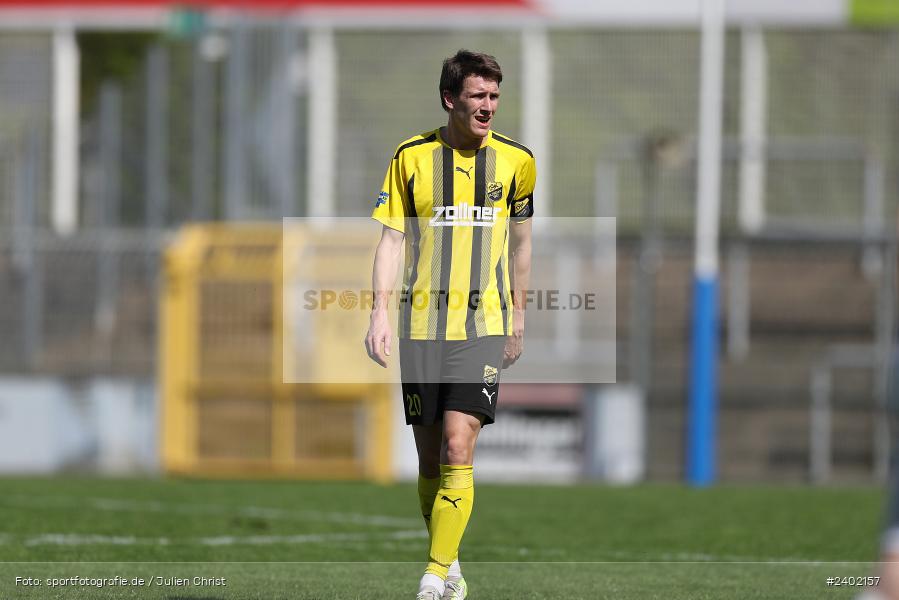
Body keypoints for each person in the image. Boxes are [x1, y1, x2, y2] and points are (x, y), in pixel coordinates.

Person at [364, 49, 535, 600]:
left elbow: (522, 245)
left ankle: (433, 577)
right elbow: (391, 241)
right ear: (450, 99)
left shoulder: (517, 162)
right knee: (430, 453)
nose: (488, 108)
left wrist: (519, 317)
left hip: (482, 324)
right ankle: (452, 563)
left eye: (494, 97)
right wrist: (378, 315)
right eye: (477, 96)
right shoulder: (411, 157)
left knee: (460, 445)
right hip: (420, 325)